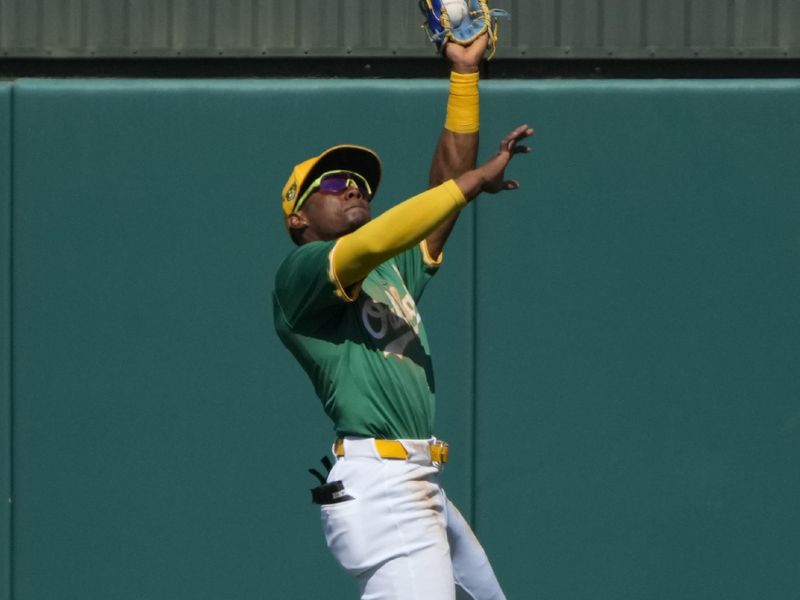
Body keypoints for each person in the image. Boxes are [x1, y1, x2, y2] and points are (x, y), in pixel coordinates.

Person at [273, 33, 533, 600]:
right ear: (299, 219)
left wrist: (464, 76)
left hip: (416, 481)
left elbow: (441, 191)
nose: (356, 190)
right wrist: (469, 186)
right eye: (336, 184)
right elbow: (398, 225)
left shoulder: (390, 274)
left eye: (362, 184)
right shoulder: (302, 273)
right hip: (382, 484)